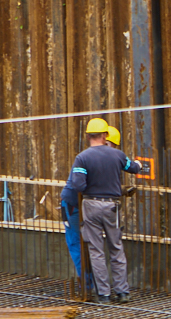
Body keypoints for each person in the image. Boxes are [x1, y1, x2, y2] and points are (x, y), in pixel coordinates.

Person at [61, 116, 145, 304]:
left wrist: (94, 184)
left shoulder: (82, 157)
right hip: (111, 206)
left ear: (88, 136)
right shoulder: (117, 155)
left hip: (90, 205)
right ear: (105, 135)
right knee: (116, 248)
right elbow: (133, 168)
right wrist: (138, 166)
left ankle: (103, 295)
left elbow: (78, 185)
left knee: (96, 250)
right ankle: (122, 292)